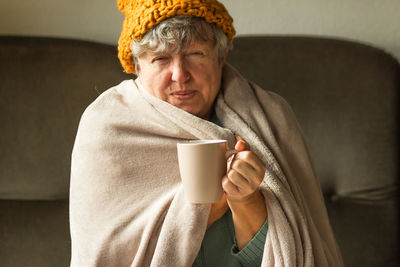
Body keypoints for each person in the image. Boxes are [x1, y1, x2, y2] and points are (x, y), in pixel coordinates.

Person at [69, 0, 344, 266]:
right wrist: (202, 211)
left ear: (221, 57)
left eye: (195, 54)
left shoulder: (271, 118)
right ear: (137, 66)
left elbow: (291, 255)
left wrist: (247, 201)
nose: (180, 75)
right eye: (161, 58)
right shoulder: (107, 128)